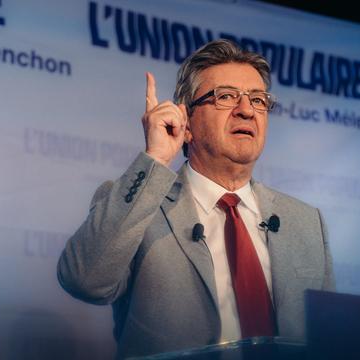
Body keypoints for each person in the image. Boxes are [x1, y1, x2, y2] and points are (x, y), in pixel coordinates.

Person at [57, 39, 335, 358]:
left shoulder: (306, 222)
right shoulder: (140, 204)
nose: (246, 110)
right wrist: (156, 159)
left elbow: (329, 340)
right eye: (226, 96)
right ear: (186, 123)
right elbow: (83, 280)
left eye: (258, 100)